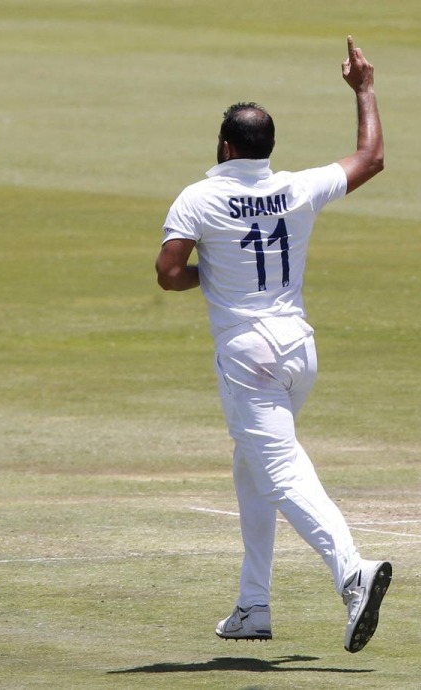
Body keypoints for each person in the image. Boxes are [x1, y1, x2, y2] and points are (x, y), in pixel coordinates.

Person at [155, 36, 391, 652]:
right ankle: (252, 605)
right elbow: (370, 159)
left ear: (225, 147)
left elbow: (168, 271)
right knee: (252, 466)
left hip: (248, 355)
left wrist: (214, 274)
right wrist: (364, 90)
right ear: (266, 149)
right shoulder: (298, 187)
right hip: (299, 350)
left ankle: (353, 572)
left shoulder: (199, 197)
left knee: (280, 470)